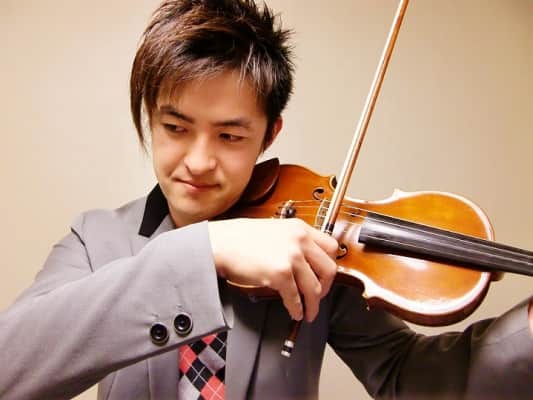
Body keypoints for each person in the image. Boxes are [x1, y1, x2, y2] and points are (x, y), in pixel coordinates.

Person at [1, 0, 532, 399]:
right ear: (149, 117)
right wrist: (207, 249)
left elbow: (405, 375)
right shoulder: (95, 241)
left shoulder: (312, 245)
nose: (199, 161)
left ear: (269, 135)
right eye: (175, 127)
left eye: (230, 136)